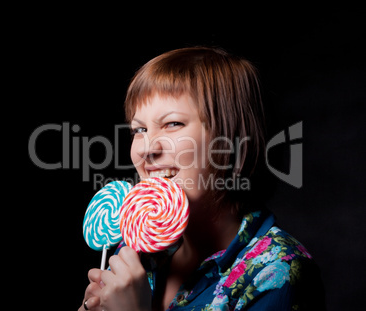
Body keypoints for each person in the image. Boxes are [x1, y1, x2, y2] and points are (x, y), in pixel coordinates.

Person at [79, 47, 325, 311]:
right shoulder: (133, 248)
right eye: (139, 129)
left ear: (231, 142)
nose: (146, 149)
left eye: (173, 124)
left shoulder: (280, 274)